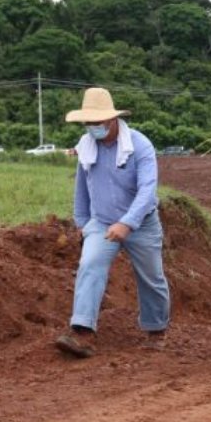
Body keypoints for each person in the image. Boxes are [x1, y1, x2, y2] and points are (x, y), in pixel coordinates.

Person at [55, 88, 170, 358]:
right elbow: (82, 188)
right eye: (88, 123)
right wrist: (82, 222)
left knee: (151, 277)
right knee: (89, 265)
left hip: (142, 223)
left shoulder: (139, 146)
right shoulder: (87, 146)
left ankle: (156, 329)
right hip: (102, 222)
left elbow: (147, 191)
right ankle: (82, 332)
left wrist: (127, 223)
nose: (92, 128)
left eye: (97, 122)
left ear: (112, 119)